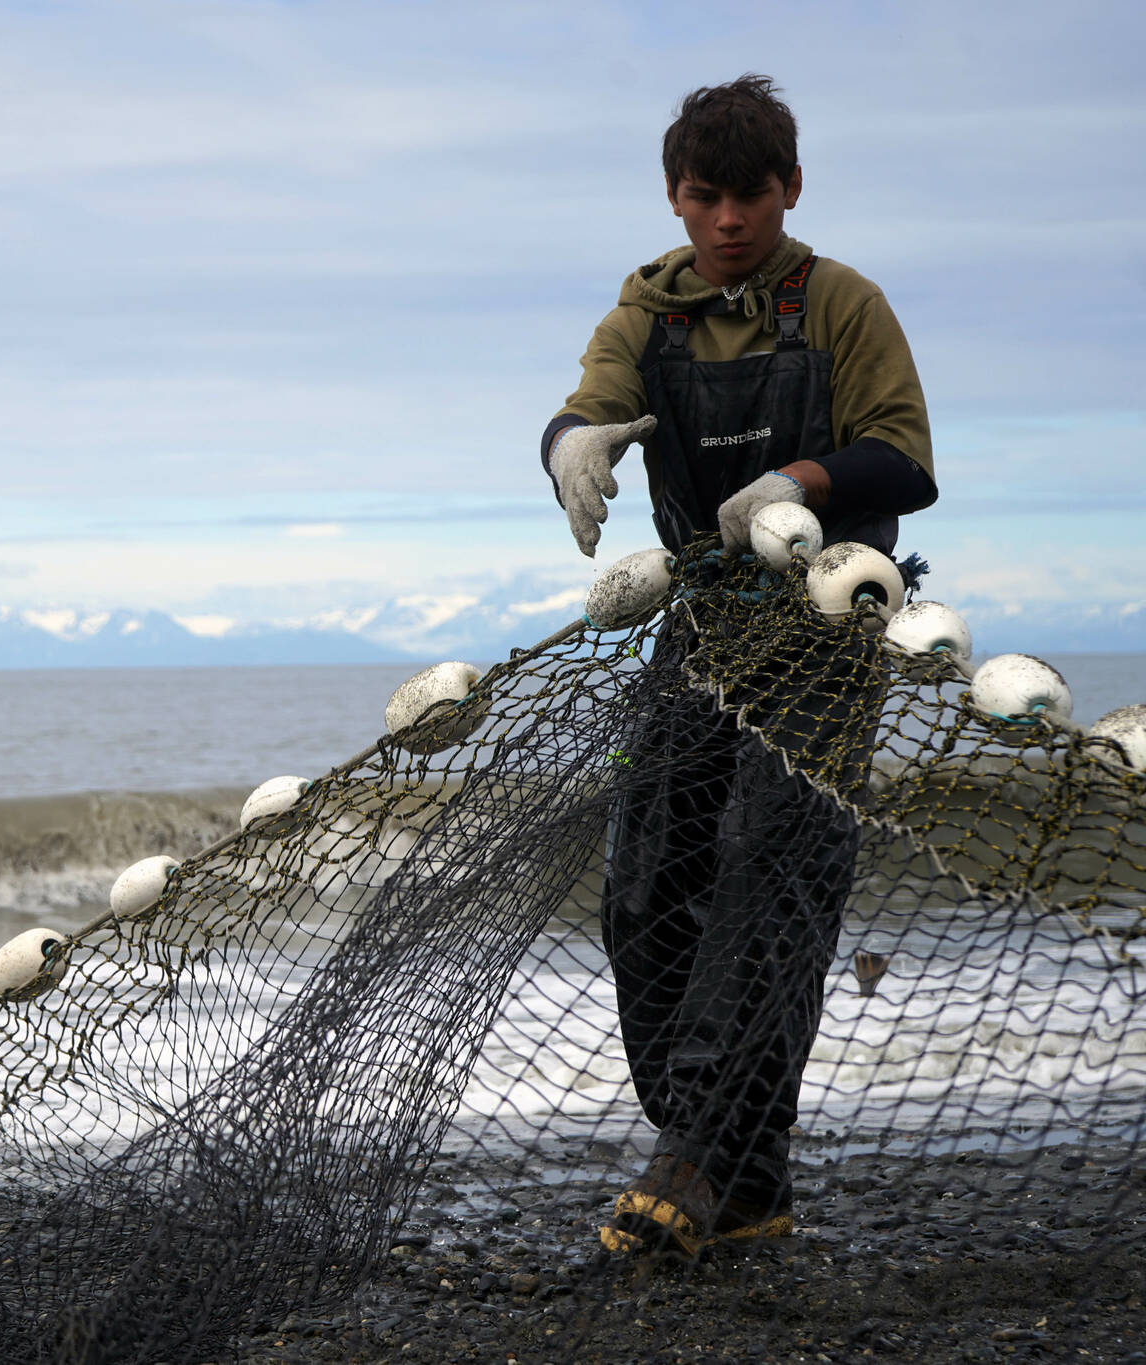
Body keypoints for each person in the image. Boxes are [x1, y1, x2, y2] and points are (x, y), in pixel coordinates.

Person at [538, 75, 938, 1256]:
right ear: (675, 196)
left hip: (824, 625)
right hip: (700, 627)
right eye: (704, 197)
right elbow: (587, 403)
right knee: (646, 876)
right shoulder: (642, 320)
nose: (725, 221)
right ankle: (735, 1171)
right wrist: (569, 444)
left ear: (788, 191)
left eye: (748, 197)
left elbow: (905, 464)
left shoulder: (840, 304)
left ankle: (696, 1163)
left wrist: (803, 483)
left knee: (771, 874)